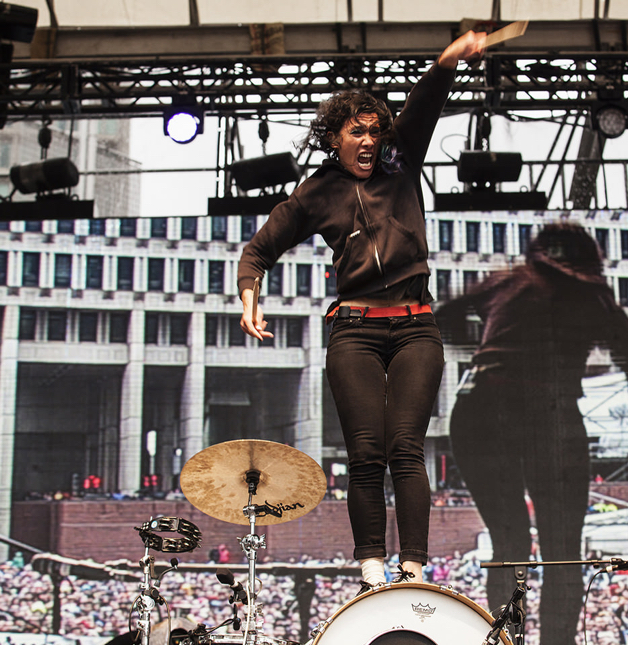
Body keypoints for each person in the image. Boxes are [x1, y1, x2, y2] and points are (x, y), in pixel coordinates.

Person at [238, 29, 488, 589]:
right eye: (358, 132)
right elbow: (259, 249)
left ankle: (414, 566)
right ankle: (372, 567)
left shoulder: (400, 163)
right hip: (352, 330)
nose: (371, 140)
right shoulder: (316, 191)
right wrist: (249, 296)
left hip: (415, 326)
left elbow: (423, 107)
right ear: (334, 138)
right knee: (366, 453)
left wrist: (447, 59)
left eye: (377, 130)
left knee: (406, 448)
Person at [437, 222, 628, 645]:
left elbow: (442, 316)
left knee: (509, 543)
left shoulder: (511, 279)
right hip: (546, 414)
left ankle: (506, 641)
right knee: (562, 553)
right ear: (589, 263)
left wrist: (487, 342)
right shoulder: (594, 297)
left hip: (477, 407)